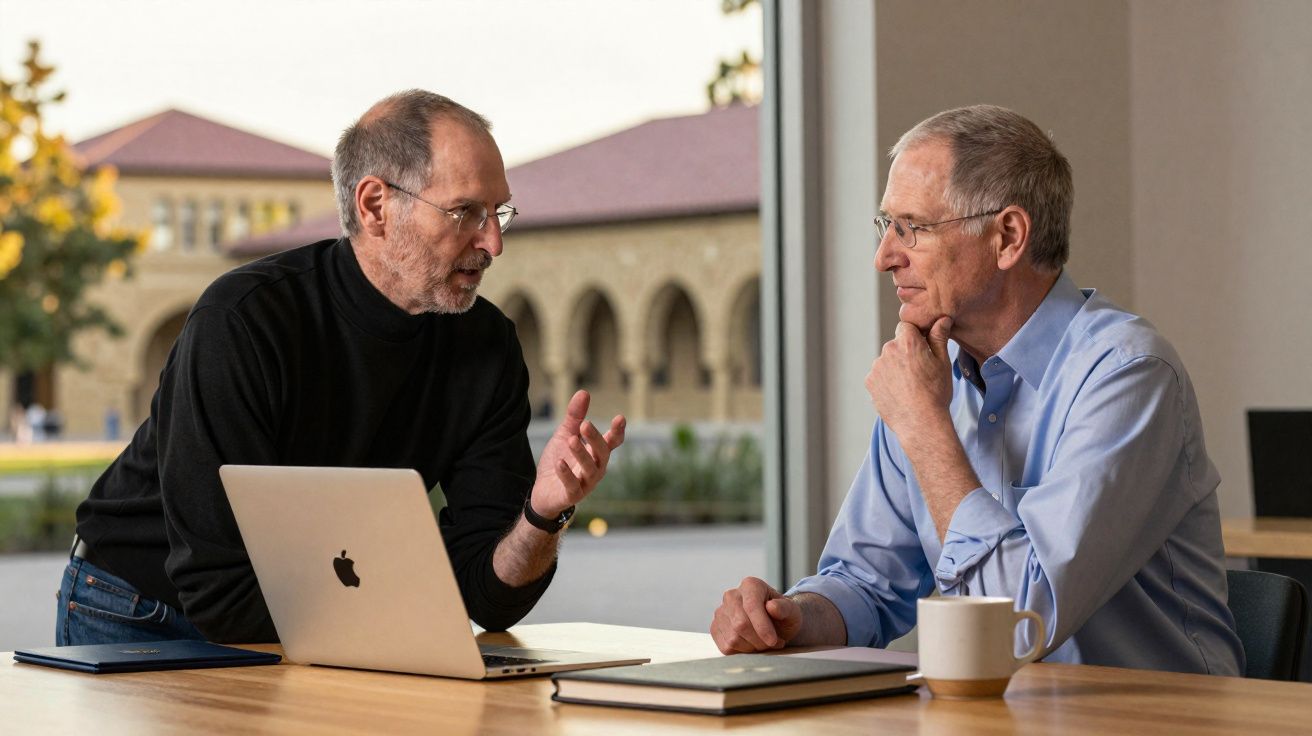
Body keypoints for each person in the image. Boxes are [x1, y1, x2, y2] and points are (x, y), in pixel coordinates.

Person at [60, 90, 625, 645]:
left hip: (307, 612)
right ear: (375, 206)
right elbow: (220, 593)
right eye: (465, 212)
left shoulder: (487, 346)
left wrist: (541, 514)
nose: (494, 243)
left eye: (499, 211)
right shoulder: (242, 322)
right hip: (136, 609)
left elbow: (488, 599)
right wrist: (412, 623)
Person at [710, 105, 1243, 675]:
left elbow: (1020, 624)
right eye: (885, 225)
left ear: (1007, 237)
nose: (884, 257)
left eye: (911, 227)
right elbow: (865, 583)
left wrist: (924, 427)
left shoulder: (1129, 375)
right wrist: (792, 617)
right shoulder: (931, 379)